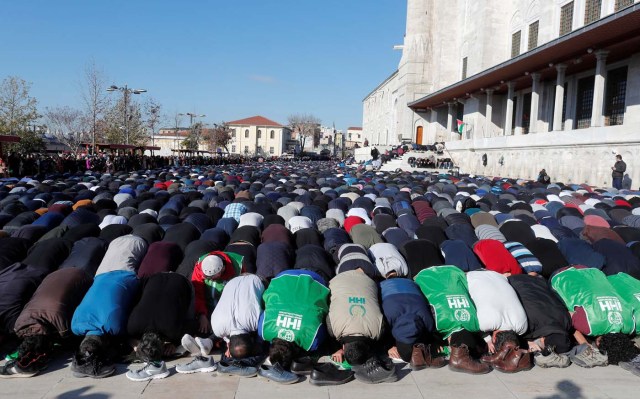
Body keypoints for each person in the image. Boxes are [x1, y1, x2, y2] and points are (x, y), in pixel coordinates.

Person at [257, 269, 330, 383]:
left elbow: (325, 328)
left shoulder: (311, 341)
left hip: (316, 280)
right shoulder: (264, 331)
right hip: (283, 276)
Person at [327, 269, 397, 384]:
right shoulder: (333, 329)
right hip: (341, 280)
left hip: (365, 280)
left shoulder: (378, 331)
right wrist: (335, 349)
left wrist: (335, 349)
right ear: (344, 348)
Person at [125, 272, 194, 381]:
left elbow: (192, 324)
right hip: (154, 277)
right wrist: (135, 344)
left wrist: (175, 343)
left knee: (191, 315)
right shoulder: (133, 326)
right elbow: (125, 336)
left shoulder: (173, 331)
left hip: (183, 282)